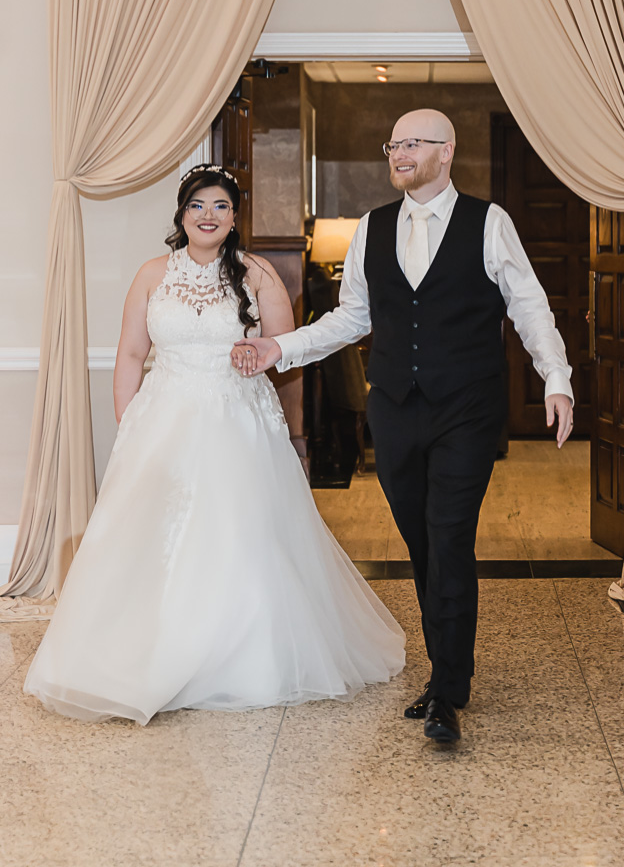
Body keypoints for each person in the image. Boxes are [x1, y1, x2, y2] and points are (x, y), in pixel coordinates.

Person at [233, 110, 574, 744]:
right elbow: (352, 316)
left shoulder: (489, 222)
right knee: (421, 543)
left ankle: (446, 691)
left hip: (466, 409)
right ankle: (451, 671)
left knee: (448, 537)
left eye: (412, 142)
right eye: (393, 143)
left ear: (447, 152)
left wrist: (556, 378)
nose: (399, 152)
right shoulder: (373, 228)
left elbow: (528, 304)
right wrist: (282, 350)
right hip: (393, 409)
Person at [24, 165, 405, 724]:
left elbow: (283, 347)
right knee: (151, 536)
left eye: (221, 206)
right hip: (163, 418)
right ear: (181, 214)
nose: (209, 215)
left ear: (234, 217)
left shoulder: (258, 274)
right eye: (198, 205)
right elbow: (131, 354)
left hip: (236, 418)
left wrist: (258, 351)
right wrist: (127, 422)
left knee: (237, 533)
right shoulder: (152, 274)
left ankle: (237, 656)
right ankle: (146, 652)